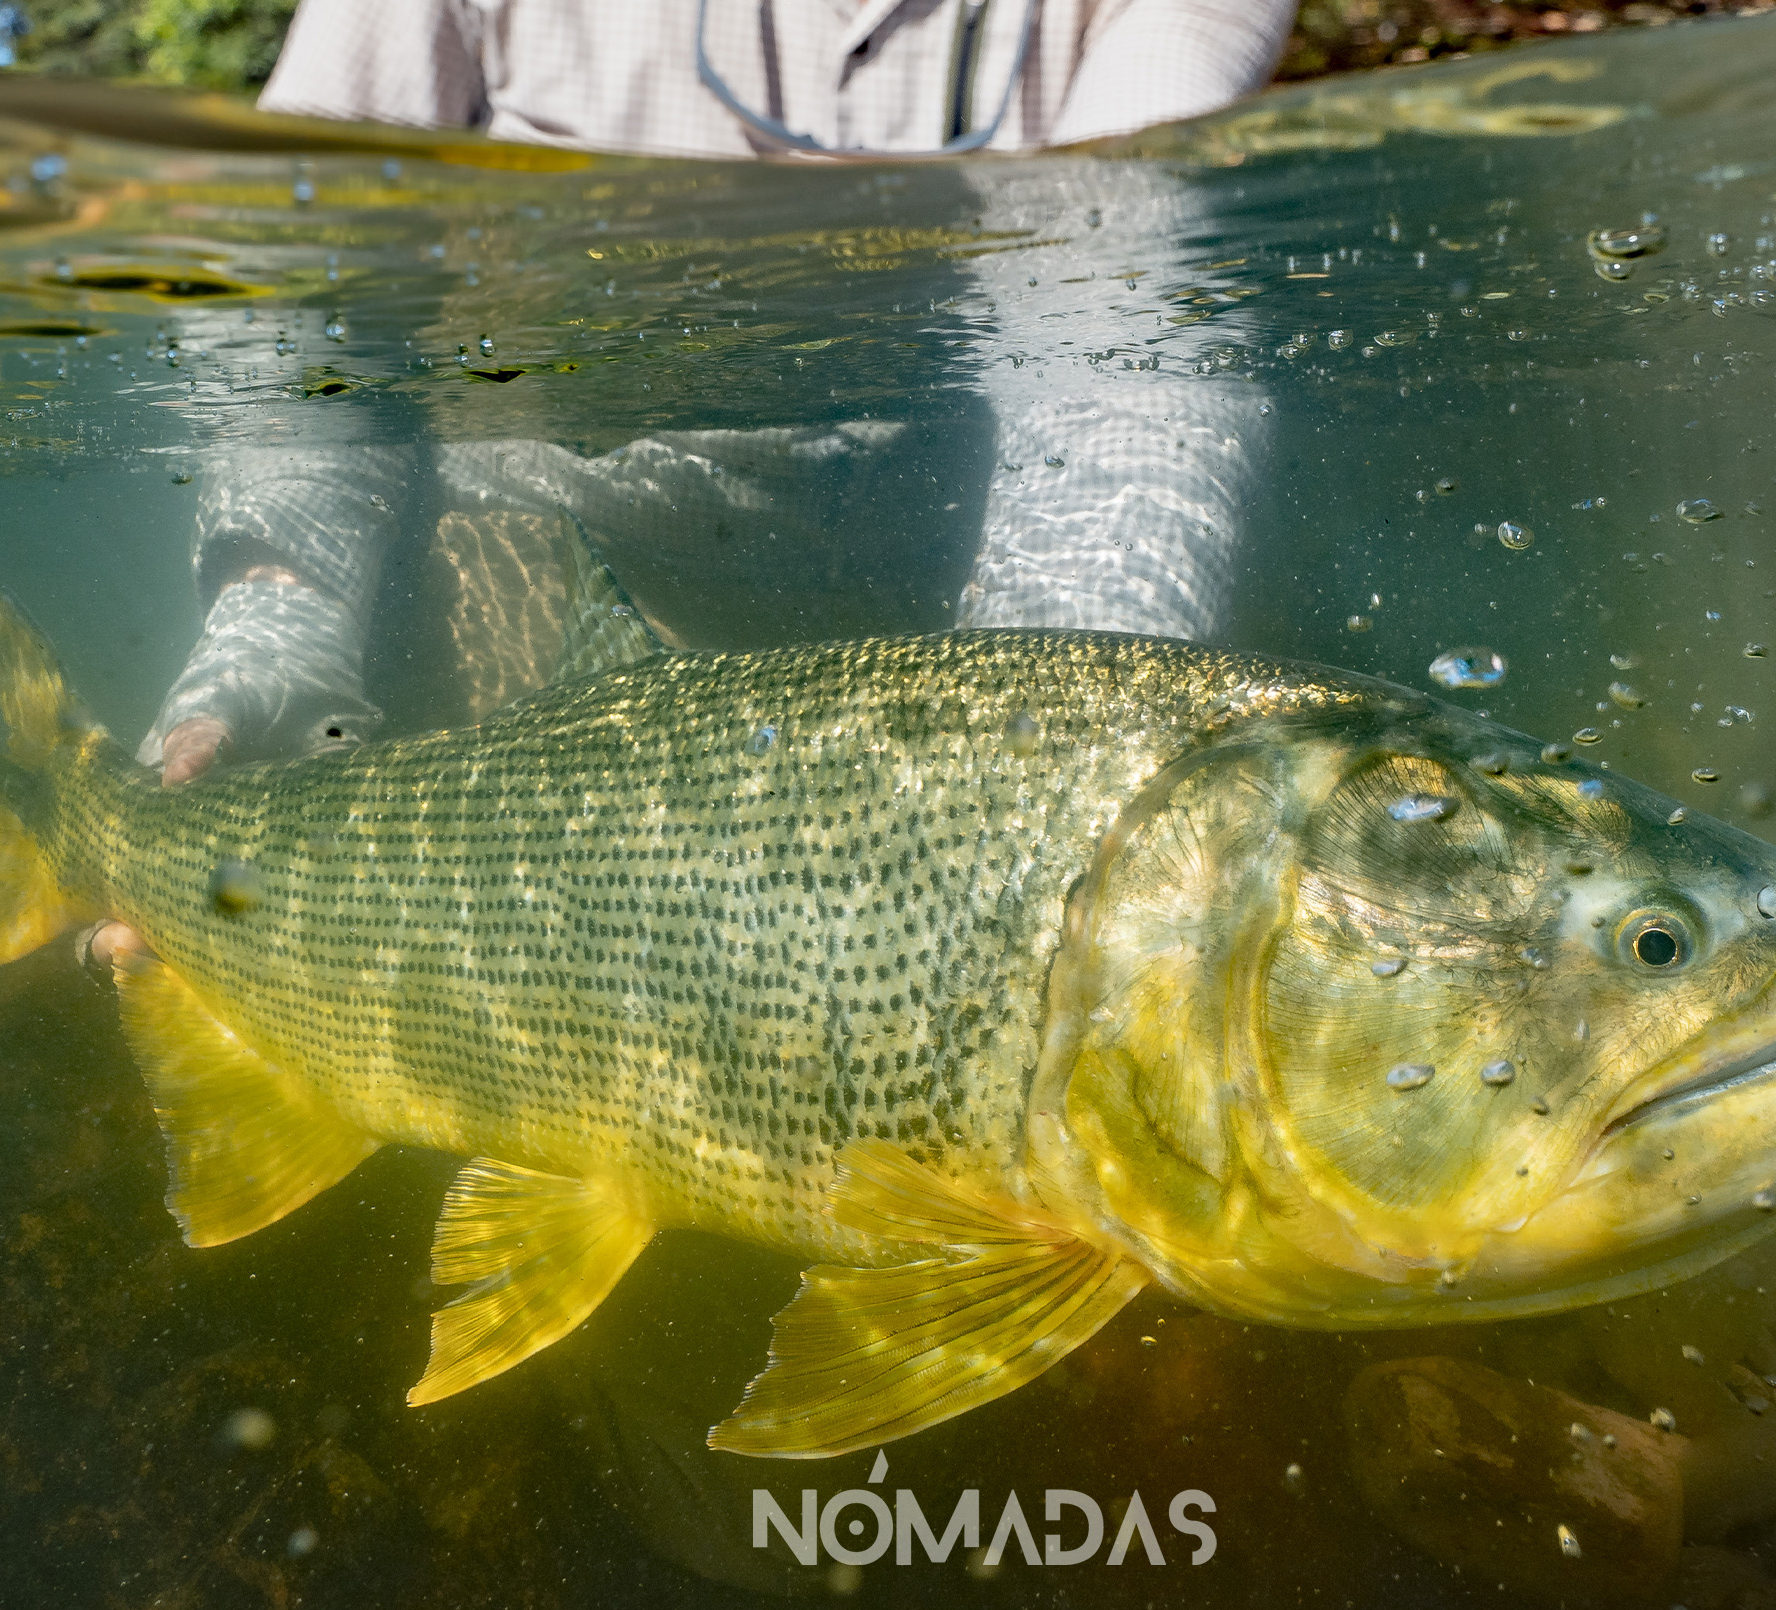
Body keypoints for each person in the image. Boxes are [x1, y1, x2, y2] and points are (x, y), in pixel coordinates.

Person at [86, 0, 1290, 966]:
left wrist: (1044, 771)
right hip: (516, 574)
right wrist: (277, 622)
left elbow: (1129, 292)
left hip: (976, 582)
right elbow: (287, 265)